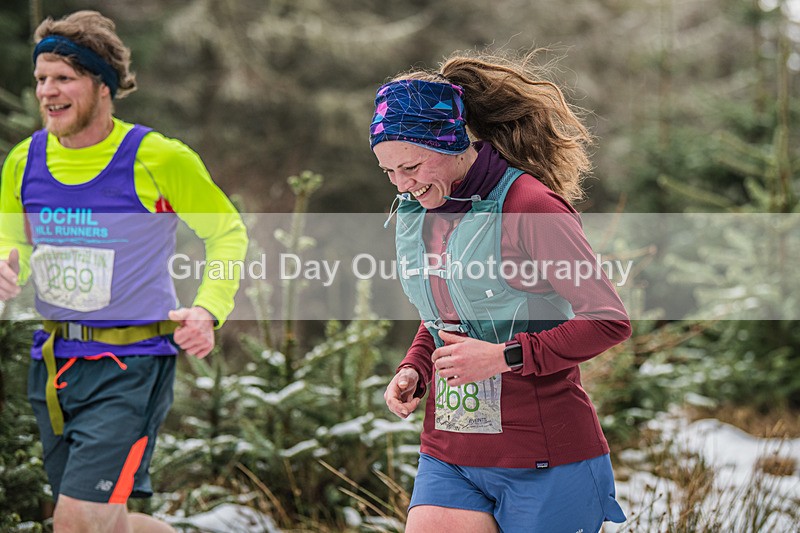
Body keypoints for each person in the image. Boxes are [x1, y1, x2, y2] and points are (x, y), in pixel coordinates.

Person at [0, 10, 248, 532]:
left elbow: (227, 231)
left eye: (64, 78)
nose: (47, 91)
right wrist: (5, 270)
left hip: (131, 366)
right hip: (54, 365)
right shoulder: (24, 162)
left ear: (103, 85)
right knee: (107, 522)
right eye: (41, 78)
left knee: (76, 521)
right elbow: (11, 248)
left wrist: (208, 308)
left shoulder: (157, 158)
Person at [371, 52, 631, 533]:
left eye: (410, 166)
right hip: (451, 452)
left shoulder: (530, 207)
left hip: (543, 454)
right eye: (389, 172)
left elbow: (608, 321)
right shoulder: (424, 212)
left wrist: (504, 357)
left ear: (449, 142)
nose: (402, 185)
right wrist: (415, 366)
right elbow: (447, 317)